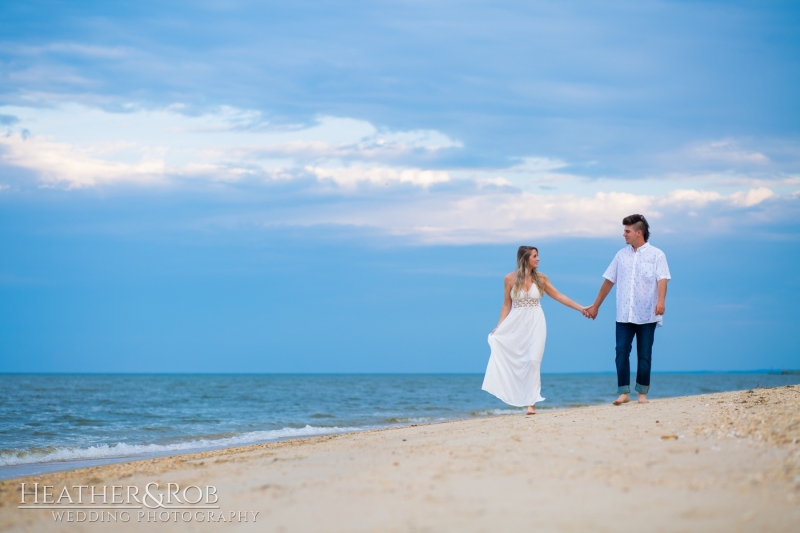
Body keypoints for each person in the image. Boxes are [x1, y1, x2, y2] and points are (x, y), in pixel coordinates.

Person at [482, 246, 588, 415]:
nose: (538, 259)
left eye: (538, 256)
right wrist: (499, 327)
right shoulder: (509, 279)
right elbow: (506, 305)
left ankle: (530, 404)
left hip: (536, 323)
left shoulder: (541, 278)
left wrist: (581, 308)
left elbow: (559, 296)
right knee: (519, 360)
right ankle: (518, 395)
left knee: (533, 361)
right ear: (525, 258)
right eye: (535, 256)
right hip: (515, 324)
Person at [585, 214, 671, 405]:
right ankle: (624, 392)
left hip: (648, 313)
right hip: (624, 314)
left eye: (627, 231)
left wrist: (661, 301)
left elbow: (662, 279)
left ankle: (642, 394)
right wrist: (596, 306)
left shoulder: (657, 254)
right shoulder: (620, 255)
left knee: (644, 354)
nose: (624, 234)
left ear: (638, 233)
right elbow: (609, 281)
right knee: (621, 351)